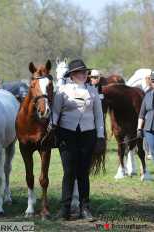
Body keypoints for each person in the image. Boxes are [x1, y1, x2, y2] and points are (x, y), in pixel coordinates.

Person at [52, 59, 105, 221]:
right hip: (67, 134)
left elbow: (98, 116)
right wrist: (53, 129)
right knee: (69, 172)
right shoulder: (62, 90)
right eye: (80, 72)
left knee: (83, 173)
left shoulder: (93, 91)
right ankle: (65, 208)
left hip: (87, 134)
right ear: (72, 75)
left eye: (85, 72)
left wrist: (100, 137)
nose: (83, 75)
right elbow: (55, 112)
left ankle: (85, 208)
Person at [137, 72, 154, 162]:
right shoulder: (147, 95)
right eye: (153, 80)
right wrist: (139, 129)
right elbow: (142, 114)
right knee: (153, 151)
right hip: (149, 129)